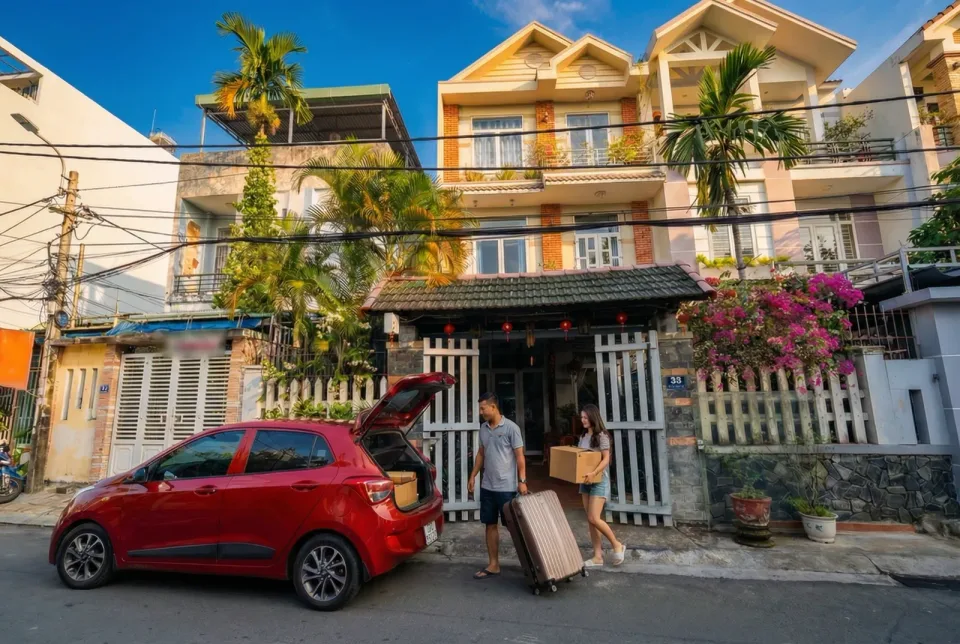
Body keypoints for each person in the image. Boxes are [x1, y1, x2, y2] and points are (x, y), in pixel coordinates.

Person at [467, 392, 527, 580]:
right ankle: (494, 564)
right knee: (490, 525)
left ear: (493, 407)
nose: (481, 412)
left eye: (483, 408)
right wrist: (473, 475)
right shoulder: (483, 428)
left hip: (506, 488)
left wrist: (522, 481)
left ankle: (531, 564)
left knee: (514, 527)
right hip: (488, 487)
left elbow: (520, 457)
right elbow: (481, 453)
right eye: (480, 408)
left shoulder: (511, 428)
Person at [578, 404, 625, 567]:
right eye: (581, 417)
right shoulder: (583, 435)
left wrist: (594, 473)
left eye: (585, 417)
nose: (582, 420)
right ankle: (597, 556)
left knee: (594, 517)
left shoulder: (602, 436)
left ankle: (617, 544)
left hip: (599, 480)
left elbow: (606, 459)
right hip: (585, 481)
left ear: (593, 417)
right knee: (591, 520)